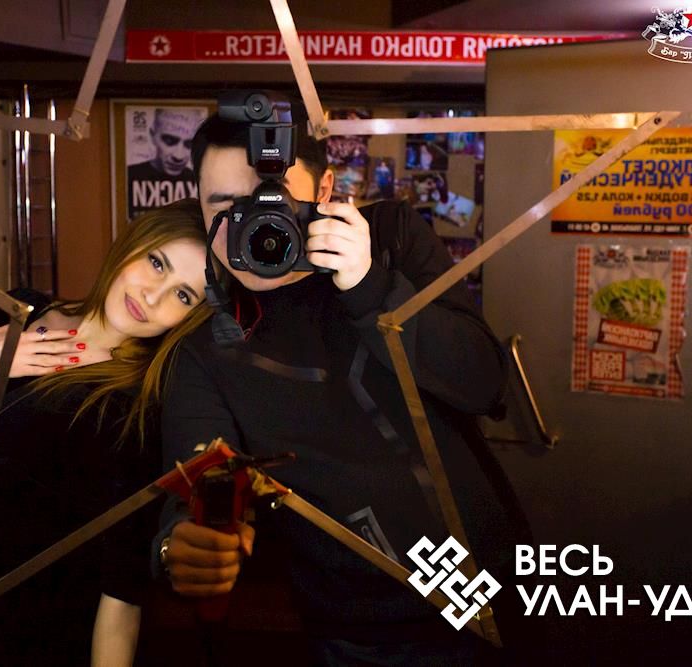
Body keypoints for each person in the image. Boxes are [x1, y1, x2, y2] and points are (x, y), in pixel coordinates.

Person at [155, 114, 522, 664]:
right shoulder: (207, 344)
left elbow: (485, 386)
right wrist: (181, 543)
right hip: (357, 625)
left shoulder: (391, 238)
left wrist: (371, 287)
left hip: (496, 582)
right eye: (224, 205)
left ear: (324, 190)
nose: (252, 223)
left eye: (272, 199)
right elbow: (198, 478)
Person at [0, 199, 211, 666]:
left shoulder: (140, 412)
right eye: (156, 263)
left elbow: (120, 595)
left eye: (183, 295)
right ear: (132, 243)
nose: (153, 297)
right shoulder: (18, 311)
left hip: (35, 639)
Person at [126, 109, 203, 220]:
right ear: (153, 135)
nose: (178, 156)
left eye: (189, 144)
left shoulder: (200, 182)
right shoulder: (128, 176)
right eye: (169, 140)